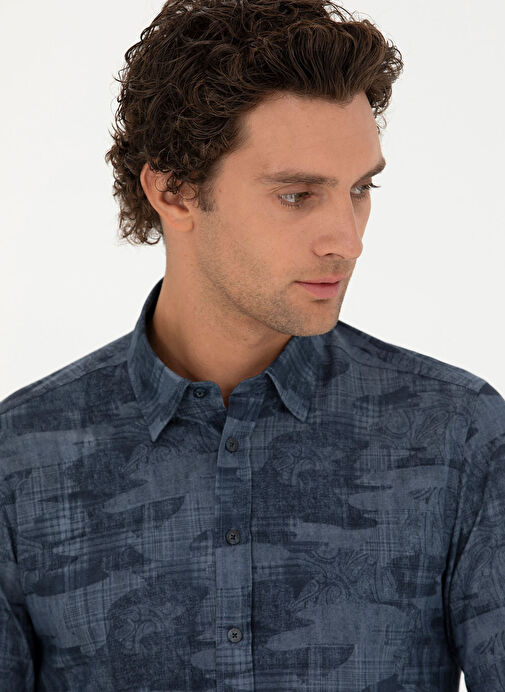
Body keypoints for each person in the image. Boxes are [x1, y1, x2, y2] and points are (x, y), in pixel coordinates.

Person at [1, 0, 504, 689]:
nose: (348, 240)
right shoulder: (21, 460)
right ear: (174, 192)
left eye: (360, 188)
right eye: (297, 195)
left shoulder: (456, 435)